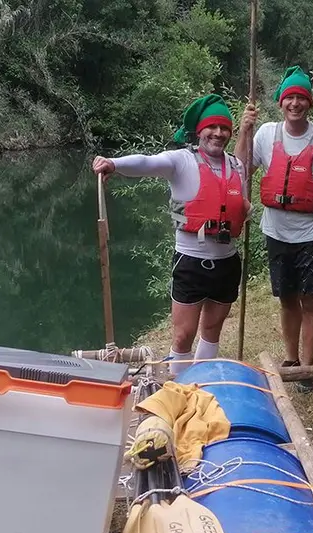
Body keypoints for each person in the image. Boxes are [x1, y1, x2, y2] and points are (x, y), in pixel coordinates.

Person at [91, 94, 251, 377]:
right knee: (182, 335)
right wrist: (114, 163)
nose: (218, 133)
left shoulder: (236, 165)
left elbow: (241, 205)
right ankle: (179, 386)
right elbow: (146, 163)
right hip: (191, 262)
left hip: (228, 261)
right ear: (200, 131)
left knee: (212, 330)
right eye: (212, 127)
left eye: (225, 128)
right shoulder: (181, 161)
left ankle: (201, 384)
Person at [235, 66, 313, 392]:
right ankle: (290, 359)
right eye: (290, 97)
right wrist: (244, 132)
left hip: (310, 234)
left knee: (311, 299)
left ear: (310, 103)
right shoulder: (266, 134)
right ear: (280, 102)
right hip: (275, 230)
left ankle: (306, 367)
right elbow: (241, 167)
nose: (295, 103)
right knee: (287, 299)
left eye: (301, 97)